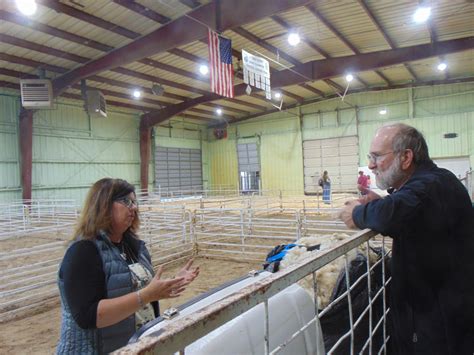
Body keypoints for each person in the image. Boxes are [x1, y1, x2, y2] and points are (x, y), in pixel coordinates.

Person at [339, 123, 474, 354]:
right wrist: (379, 200)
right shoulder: (436, 180)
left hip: (436, 319)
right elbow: (411, 213)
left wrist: (357, 214)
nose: (371, 164)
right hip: (437, 309)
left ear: (406, 157)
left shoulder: (430, 185)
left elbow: (393, 213)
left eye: (377, 156)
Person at [56, 178, 199, 354]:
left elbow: (136, 290)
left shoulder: (134, 247)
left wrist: (170, 283)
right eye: (126, 201)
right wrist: (146, 295)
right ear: (103, 205)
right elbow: (87, 315)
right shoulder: (83, 252)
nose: (133, 208)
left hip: (135, 346)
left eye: (134, 202)